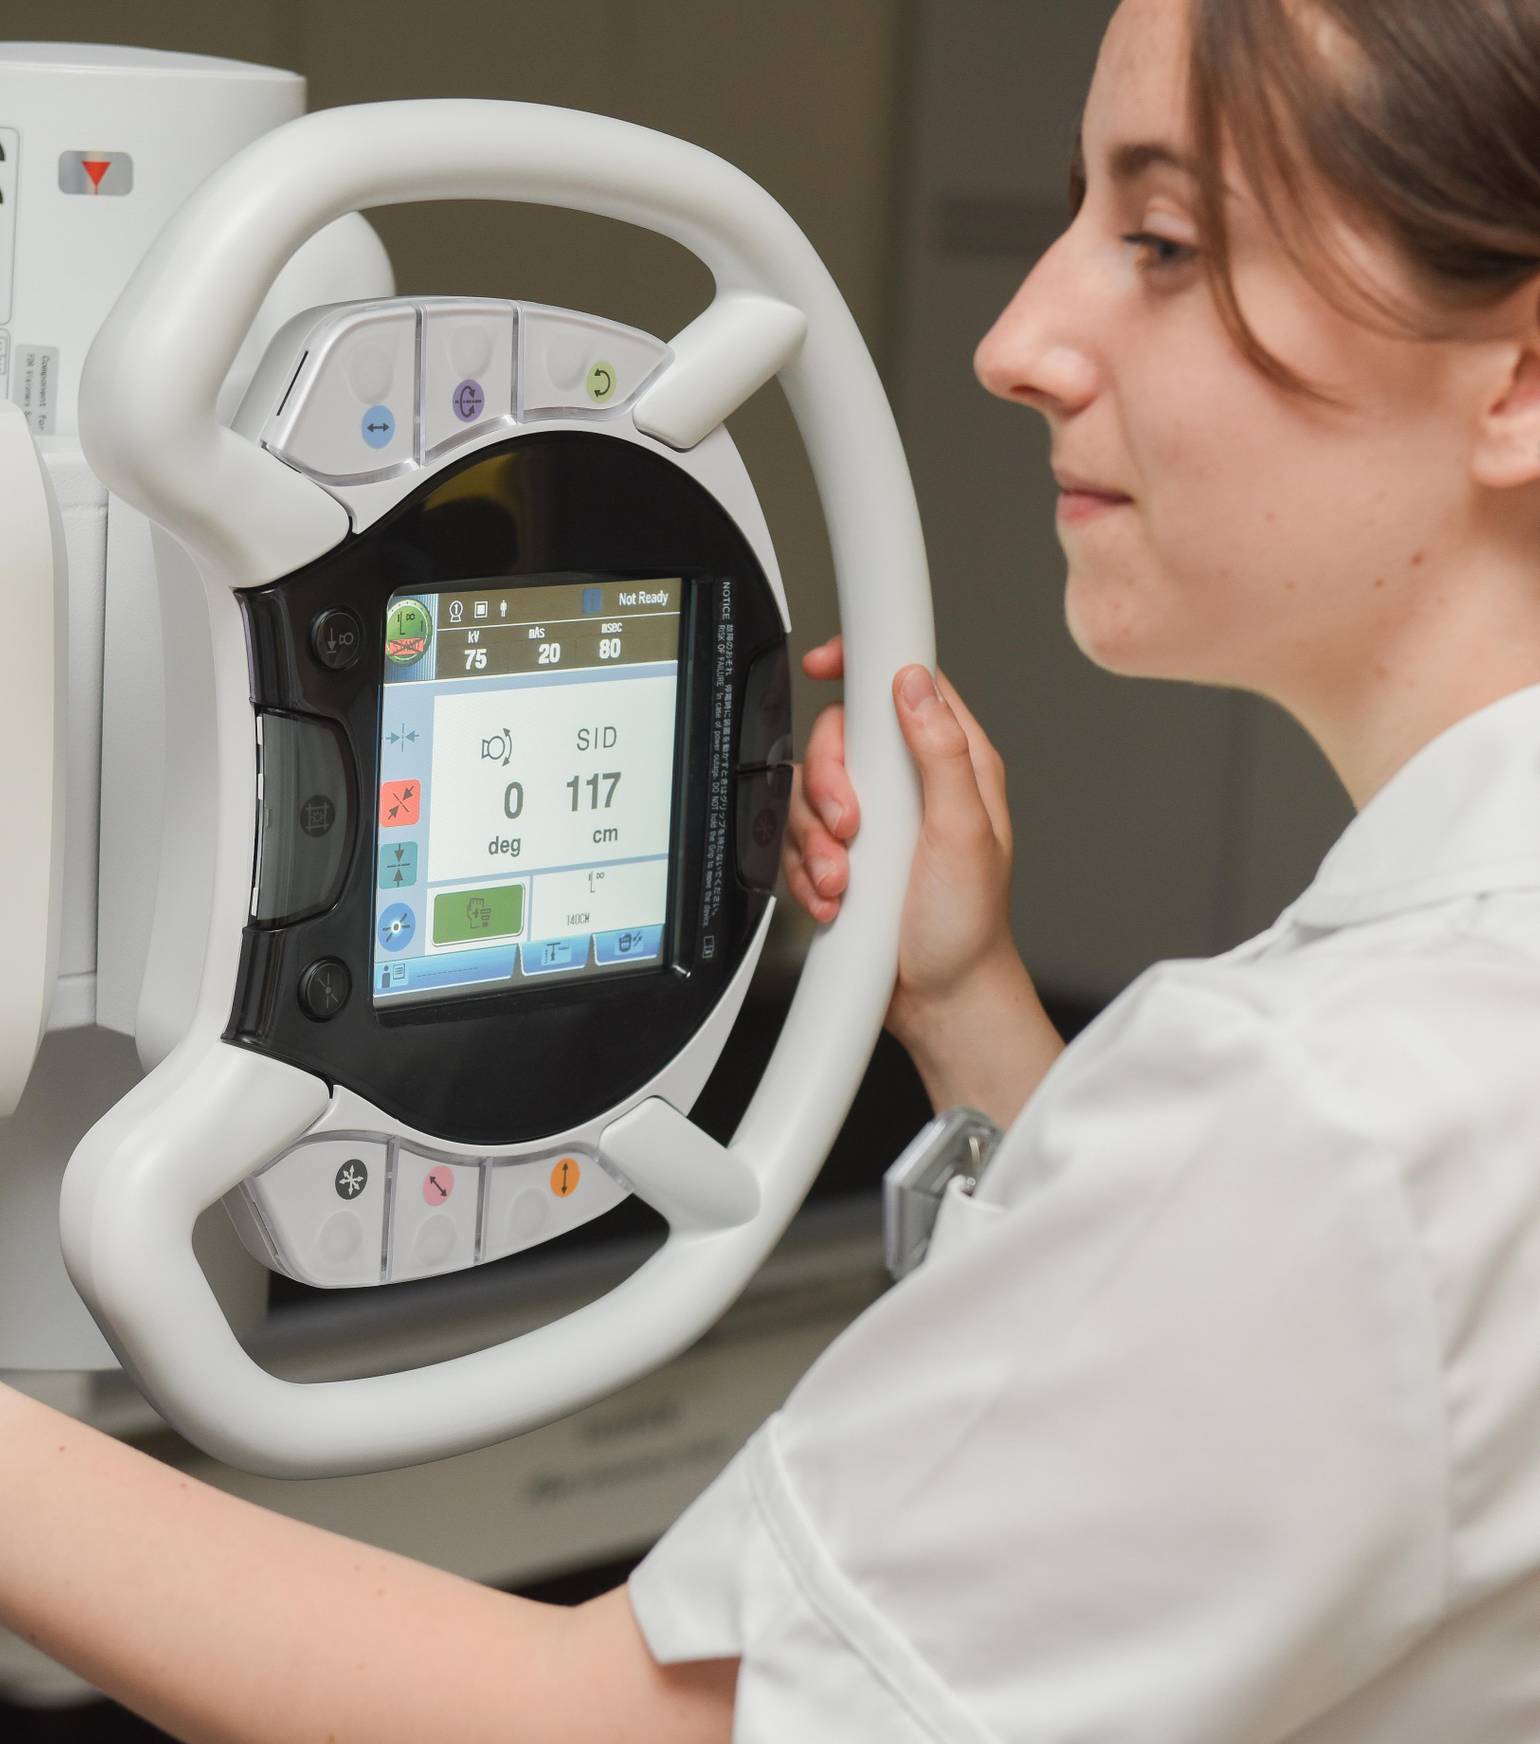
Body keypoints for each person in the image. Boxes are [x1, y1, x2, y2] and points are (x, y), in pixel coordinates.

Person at [6, 0, 1540, 1735]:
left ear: (1521, 377)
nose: (1021, 339)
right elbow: (1300, 1387)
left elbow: (618, 1726)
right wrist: (964, 1012)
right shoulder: (1419, 1062)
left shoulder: (1341, 1107)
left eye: (1163, 242)